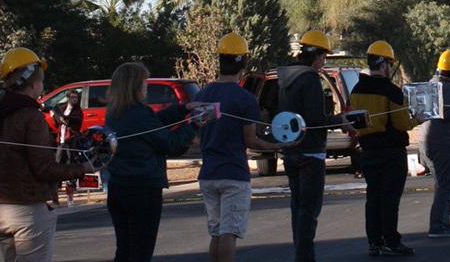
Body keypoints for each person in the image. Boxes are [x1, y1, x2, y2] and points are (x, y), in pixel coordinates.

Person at [0, 47, 93, 262]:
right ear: (34, 83)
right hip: (26, 210)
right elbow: (44, 167)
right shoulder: (30, 115)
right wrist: (83, 168)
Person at [195, 33, 289, 262]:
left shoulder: (203, 94)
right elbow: (251, 141)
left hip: (208, 174)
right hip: (233, 175)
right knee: (229, 232)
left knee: (216, 232)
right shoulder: (245, 99)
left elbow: (197, 136)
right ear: (243, 61)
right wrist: (279, 146)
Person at [105, 61, 199, 262]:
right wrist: (194, 125)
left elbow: (153, 124)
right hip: (143, 189)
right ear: (136, 85)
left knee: (124, 249)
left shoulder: (114, 112)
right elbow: (170, 143)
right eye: (144, 82)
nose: (146, 87)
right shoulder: (140, 114)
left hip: (118, 186)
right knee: (141, 252)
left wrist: (183, 109)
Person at [278, 30, 351, 262]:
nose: (324, 62)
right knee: (309, 210)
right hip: (310, 152)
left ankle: (300, 252)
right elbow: (316, 120)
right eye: (324, 57)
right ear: (316, 55)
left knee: (297, 206)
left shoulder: (285, 78)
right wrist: (340, 120)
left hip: (290, 150)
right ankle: (304, 257)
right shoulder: (309, 79)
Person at [350, 40, 417, 256]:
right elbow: (402, 124)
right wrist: (419, 119)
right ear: (384, 64)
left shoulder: (357, 89)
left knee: (373, 197)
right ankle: (391, 240)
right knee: (389, 198)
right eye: (389, 63)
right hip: (391, 151)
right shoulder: (391, 91)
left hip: (368, 150)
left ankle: (374, 241)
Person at [419, 49, 450, 239]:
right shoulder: (447, 89)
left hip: (426, 140)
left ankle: (441, 223)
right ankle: (438, 225)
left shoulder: (431, 84)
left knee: (441, 183)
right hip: (441, 141)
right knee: (447, 184)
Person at [51, 90, 84, 205]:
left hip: (71, 141)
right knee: (57, 164)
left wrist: (64, 118)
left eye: (76, 97)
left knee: (71, 164)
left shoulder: (78, 111)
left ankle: (71, 195)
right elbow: (56, 123)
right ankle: (56, 195)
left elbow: (77, 121)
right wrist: (56, 117)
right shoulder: (61, 107)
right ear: (68, 98)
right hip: (61, 140)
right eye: (73, 97)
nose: (75, 99)